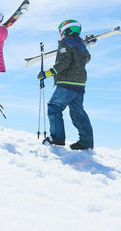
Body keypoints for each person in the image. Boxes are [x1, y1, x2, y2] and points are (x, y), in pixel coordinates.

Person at [38, 19, 94, 150]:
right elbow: (87, 58)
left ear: (67, 30)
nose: (60, 33)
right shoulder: (81, 45)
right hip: (80, 85)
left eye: (61, 30)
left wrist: (49, 72)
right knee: (77, 112)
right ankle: (86, 142)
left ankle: (57, 138)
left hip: (66, 83)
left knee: (54, 107)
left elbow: (64, 62)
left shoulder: (65, 43)